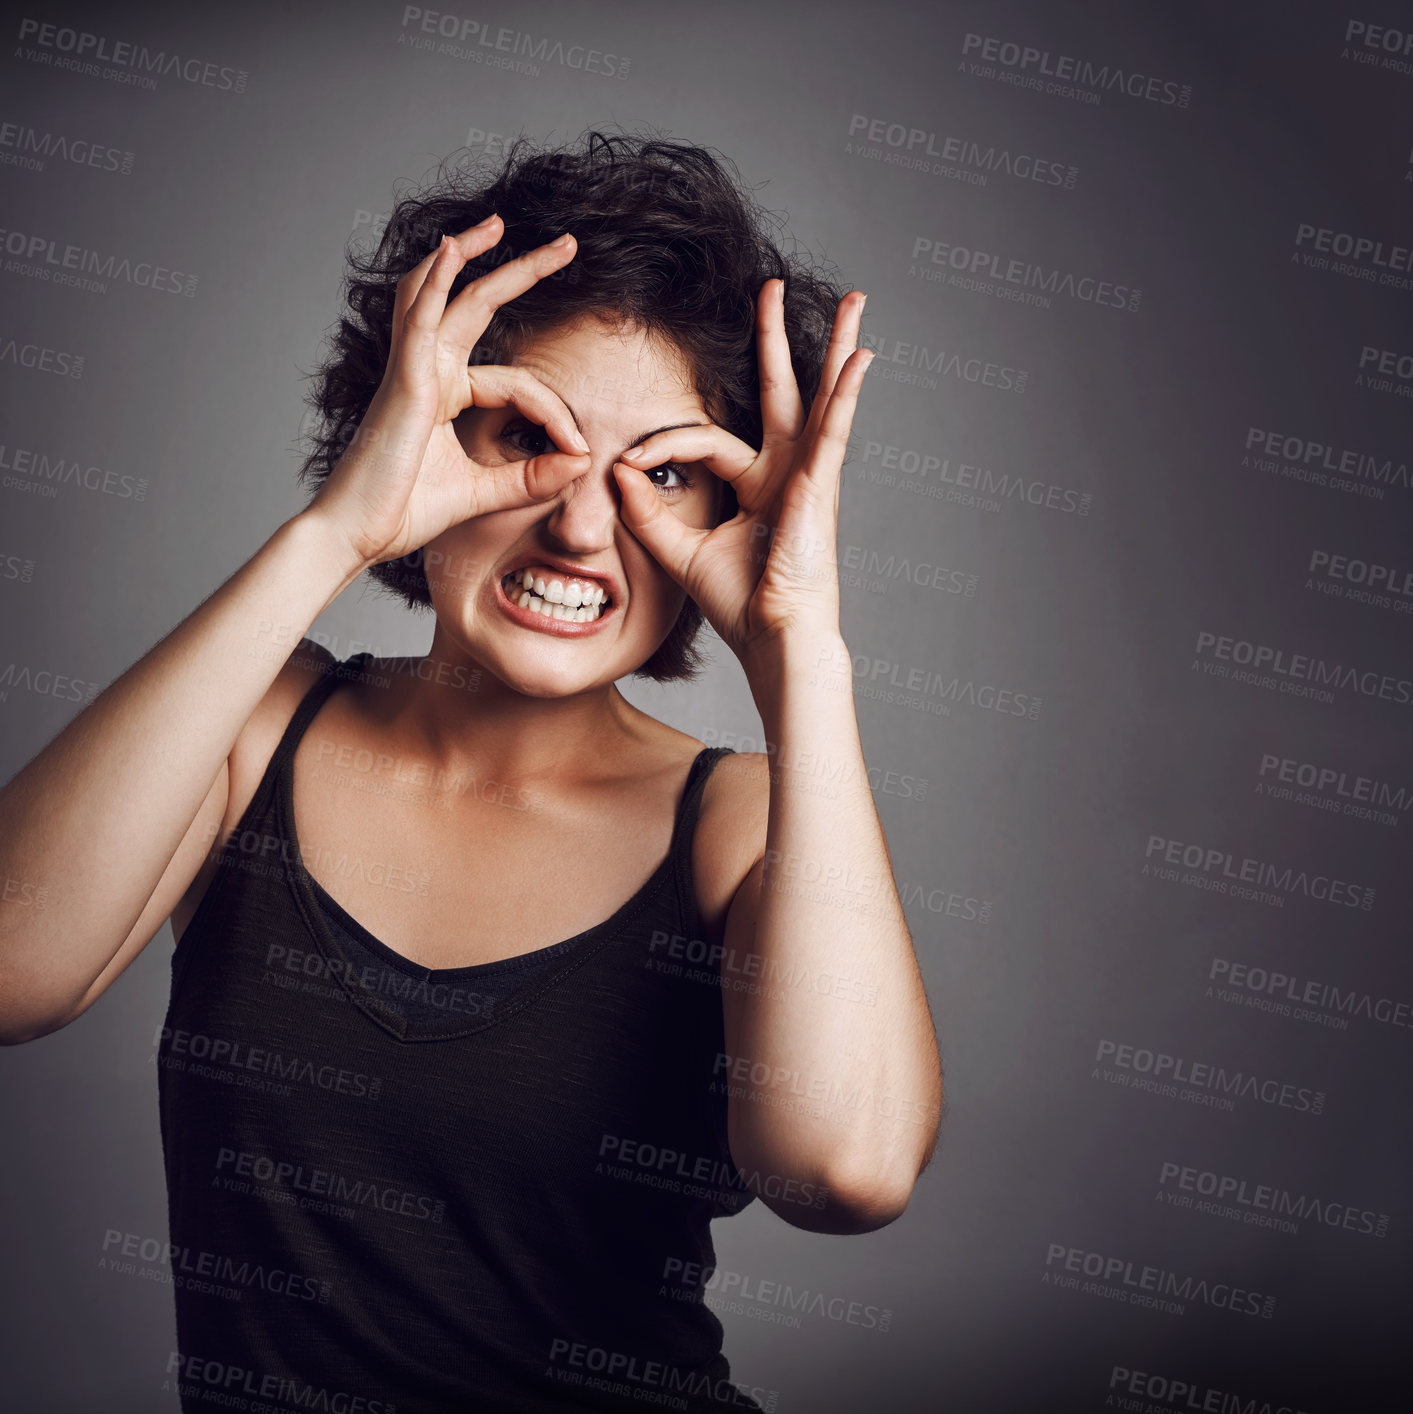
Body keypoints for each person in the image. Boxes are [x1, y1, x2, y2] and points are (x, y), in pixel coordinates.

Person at [0, 130, 943, 1412]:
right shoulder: (261, 724)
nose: (584, 522)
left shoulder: (737, 824)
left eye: (667, 472)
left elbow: (846, 1169)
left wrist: (800, 652)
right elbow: (13, 970)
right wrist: (337, 527)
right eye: (522, 433)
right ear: (418, 427)